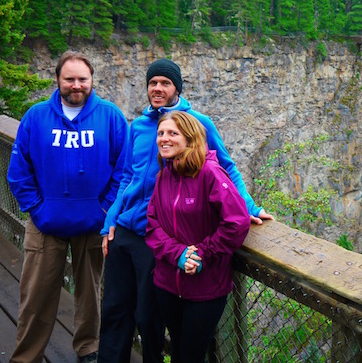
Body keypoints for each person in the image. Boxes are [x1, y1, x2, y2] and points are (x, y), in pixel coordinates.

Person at [98, 58, 272, 363]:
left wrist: (249, 206)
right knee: (113, 308)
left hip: (159, 237)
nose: (158, 88)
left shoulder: (198, 123)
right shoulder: (138, 126)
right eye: (153, 83)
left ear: (177, 87)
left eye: (165, 83)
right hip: (130, 228)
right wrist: (111, 219)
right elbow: (127, 175)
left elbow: (225, 165)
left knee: (148, 319)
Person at [6, 51, 129, 363]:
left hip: (94, 224)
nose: (77, 85)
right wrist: (37, 208)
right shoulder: (35, 117)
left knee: (90, 294)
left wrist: (105, 209)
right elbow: (19, 171)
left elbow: (124, 170)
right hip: (45, 223)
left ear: (92, 81)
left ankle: (88, 348)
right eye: (70, 79)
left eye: (83, 79)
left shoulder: (110, 116)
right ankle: (26, 356)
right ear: (58, 79)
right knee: (35, 296)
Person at [146, 111, 251, 362]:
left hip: (205, 287)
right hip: (168, 282)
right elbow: (152, 224)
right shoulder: (164, 176)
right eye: (161, 133)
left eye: (172, 133)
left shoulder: (210, 173)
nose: (164, 139)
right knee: (179, 349)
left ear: (190, 137)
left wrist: (203, 252)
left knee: (191, 356)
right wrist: (178, 254)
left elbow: (237, 222)